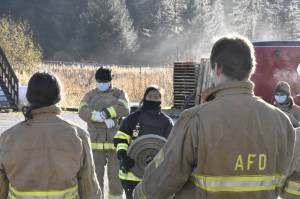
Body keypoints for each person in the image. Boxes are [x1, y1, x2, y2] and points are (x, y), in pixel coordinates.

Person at [133, 35, 295, 199]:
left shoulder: (195, 119)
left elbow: (166, 175)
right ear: (250, 70)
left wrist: (140, 193)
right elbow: (282, 179)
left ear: (217, 69)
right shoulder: (282, 122)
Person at [0, 72, 101, 198]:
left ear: (29, 97)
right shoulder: (78, 135)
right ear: (58, 97)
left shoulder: (7, 138)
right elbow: (89, 188)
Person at [113, 86, 174, 199]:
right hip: (131, 174)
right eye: (150, 96)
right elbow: (120, 139)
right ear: (144, 97)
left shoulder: (167, 122)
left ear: (161, 100)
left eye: (156, 97)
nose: (152, 99)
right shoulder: (132, 119)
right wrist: (123, 156)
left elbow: (172, 147)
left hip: (156, 176)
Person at [79, 67, 130, 199]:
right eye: (99, 81)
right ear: (96, 81)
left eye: (105, 81)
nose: (102, 84)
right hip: (96, 144)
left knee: (116, 179)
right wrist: (97, 116)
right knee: (95, 178)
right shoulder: (90, 95)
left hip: (114, 144)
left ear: (110, 80)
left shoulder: (119, 93)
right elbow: (82, 110)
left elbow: (125, 108)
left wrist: (107, 113)